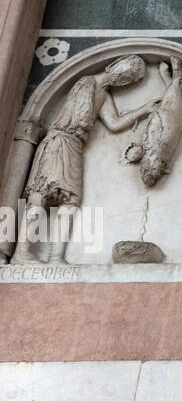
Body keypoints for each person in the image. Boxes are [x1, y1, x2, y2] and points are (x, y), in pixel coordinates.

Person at [13, 56, 155, 264]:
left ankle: (56, 257)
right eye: (127, 71)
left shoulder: (104, 95)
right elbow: (81, 117)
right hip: (59, 140)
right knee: (40, 194)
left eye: (132, 78)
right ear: (114, 65)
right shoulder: (86, 82)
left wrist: (144, 109)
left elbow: (114, 124)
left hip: (75, 146)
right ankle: (21, 253)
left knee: (71, 201)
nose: (126, 78)